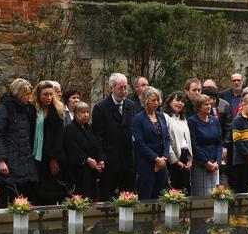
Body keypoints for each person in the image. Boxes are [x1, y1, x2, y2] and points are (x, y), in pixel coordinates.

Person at [0, 78, 38, 208]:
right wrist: (1, 160)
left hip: (22, 160)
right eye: (26, 94)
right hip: (8, 161)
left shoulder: (25, 109)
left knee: (20, 199)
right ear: (19, 93)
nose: (28, 97)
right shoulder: (3, 110)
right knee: (3, 196)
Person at [92, 73, 138, 201]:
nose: (123, 91)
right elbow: (98, 136)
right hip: (109, 160)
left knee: (128, 198)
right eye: (120, 88)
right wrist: (101, 158)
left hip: (127, 159)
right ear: (111, 88)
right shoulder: (100, 107)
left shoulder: (130, 105)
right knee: (106, 197)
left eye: (125, 88)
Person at [31, 80, 67, 205]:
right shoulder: (33, 110)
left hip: (52, 157)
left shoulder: (57, 111)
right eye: (45, 94)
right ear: (38, 95)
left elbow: (59, 137)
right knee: (36, 191)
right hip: (36, 156)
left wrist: (53, 158)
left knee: (51, 192)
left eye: (51, 94)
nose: (49, 98)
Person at [132, 87, 170, 199]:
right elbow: (139, 143)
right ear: (145, 101)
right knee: (146, 194)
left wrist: (164, 157)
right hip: (147, 162)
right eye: (153, 100)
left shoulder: (161, 116)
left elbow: (167, 138)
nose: (156, 103)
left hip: (162, 162)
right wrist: (155, 159)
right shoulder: (138, 119)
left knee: (160, 195)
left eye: (157, 100)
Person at [63, 101, 104, 200]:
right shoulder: (70, 128)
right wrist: (87, 159)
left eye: (87, 112)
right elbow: (73, 149)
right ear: (76, 114)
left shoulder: (89, 127)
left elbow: (96, 145)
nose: (86, 115)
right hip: (78, 170)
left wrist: (100, 160)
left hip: (92, 170)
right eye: (82, 112)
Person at [188, 94, 222, 196]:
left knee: (214, 194)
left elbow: (219, 142)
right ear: (198, 107)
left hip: (215, 163)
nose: (209, 106)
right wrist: (206, 162)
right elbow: (194, 144)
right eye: (205, 104)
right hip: (200, 163)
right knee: (201, 196)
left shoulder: (215, 120)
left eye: (209, 104)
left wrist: (218, 161)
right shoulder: (192, 121)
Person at [162, 91, 192, 193]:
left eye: (182, 101)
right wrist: (175, 161)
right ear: (169, 101)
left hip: (184, 158)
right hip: (173, 160)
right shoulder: (165, 117)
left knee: (185, 190)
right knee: (173, 191)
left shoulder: (183, 119)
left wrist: (190, 159)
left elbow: (187, 140)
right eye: (177, 100)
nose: (180, 103)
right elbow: (166, 141)